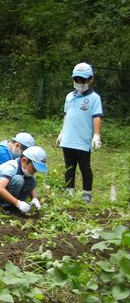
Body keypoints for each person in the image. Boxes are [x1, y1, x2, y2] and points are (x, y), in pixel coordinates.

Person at [56, 62, 104, 203]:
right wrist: (62, 132)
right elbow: (67, 114)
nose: (79, 82)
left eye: (82, 79)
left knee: (85, 168)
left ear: (91, 79)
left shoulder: (94, 98)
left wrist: (96, 135)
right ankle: (69, 191)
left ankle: (87, 194)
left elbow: (97, 116)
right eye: (76, 79)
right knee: (69, 167)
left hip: (82, 141)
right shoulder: (69, 96)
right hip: (68, 139)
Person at [0, 145, 48, 215]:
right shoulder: (12, 167)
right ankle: (6, 207)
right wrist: (18, 203)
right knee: (18, 180)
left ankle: (14, 206)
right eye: (33, 169)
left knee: (32, 180)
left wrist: (34, 199)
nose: (35, 171)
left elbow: (31, 185)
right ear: (24, 161)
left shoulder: (25, 168)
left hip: (3, 189)